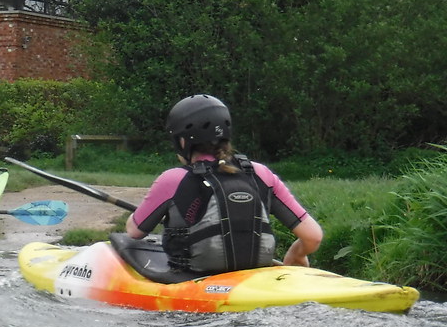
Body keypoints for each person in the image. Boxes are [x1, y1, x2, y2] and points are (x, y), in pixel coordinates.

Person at [126, 94, 322, 274]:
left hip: (195, 282)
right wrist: (296, 254)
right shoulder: (260, 173)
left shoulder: (172, 179)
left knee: (116, 246)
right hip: (254, 282)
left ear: (183, 142)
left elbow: (135, 231)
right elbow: (313, 236)